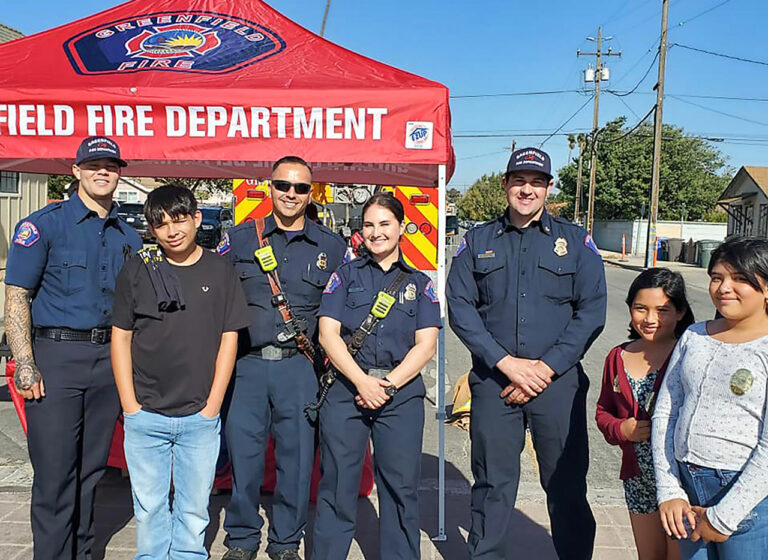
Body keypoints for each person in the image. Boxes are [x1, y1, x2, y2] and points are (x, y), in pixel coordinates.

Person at [446, 147, 606, 559]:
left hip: (558, 383)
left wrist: (545, 368)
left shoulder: (575, 242)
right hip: (495, 381)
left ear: (549, 188)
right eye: (519, 180)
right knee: (492, 484)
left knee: (565, 483)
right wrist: (507, 365)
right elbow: (460, 309)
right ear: (505, 184)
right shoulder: (476, 241)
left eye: (537, 182)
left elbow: (591, 312)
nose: (527, 189)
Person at [3, 136, 142, 560]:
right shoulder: (44, 225)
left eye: (111, 165)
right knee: (55, 474)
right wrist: (25, 362)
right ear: (76, 171)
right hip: (57, 358)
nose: (103, 171)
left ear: (119, 173)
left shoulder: (129, 236)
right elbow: (16, 296)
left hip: (107, 362)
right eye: (93, 164)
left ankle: (82, 553)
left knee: (91, 472)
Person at [218, 156, 346, 560]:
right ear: (269, 187)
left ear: (312, 193)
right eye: (283, 186)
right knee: (245, 458)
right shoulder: (239, 240)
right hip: (247, 367)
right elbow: (212, 297)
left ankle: (286, 541)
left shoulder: (332, 246)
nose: (291, 194)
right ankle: (241, 539)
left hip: (300, 368)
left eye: (300, 188)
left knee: (297, 461)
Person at [111, 185, 249, 559]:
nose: (172, 230)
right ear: (151, 230)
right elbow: (121, 337)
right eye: (161, 224)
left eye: (179, 218)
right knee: (150, 508)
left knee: (192, 510)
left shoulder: (221, 272)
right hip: (146, 416)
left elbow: (228, 339)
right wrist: (130, 405)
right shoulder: (137, 270)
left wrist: (212, 406)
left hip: (199, 418)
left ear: (196, 218)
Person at [312, 193, 440, 559]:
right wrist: (363, 382)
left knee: (400, 488)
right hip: (346, 390)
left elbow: (425, 345)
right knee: (337, 484)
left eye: (385, 224)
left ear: (401, 228)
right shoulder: (344, 276)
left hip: (400, 396)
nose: (376, 232)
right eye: (369, 225)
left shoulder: (420, 283)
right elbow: (328, 335)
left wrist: (388, 384)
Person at [653, 237, 768, 558]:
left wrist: (723, 516)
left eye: (740, 279)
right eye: (717, 277)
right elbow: (666, 411)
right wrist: (670, 490)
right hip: (686, 490)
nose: (723, 288)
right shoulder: (695, 336)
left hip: (747, 497)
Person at [596, 268, 694, 560]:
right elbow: (603, 412)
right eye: (641, 308)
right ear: (629, 309)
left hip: (681, 480)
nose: (650, 319)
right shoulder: (617, 356)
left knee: (680, 554)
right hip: (638, 478)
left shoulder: (690, 352)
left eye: (663, 310)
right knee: (649, 556)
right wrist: (621, 430)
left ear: (680, 312)